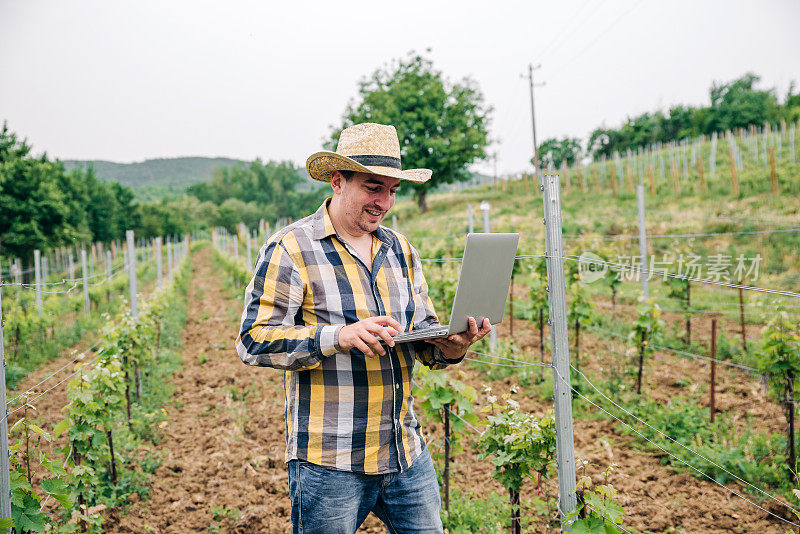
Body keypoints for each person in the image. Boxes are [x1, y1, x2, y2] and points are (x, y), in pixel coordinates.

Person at [235, 122, 491, 533]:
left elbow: (422, 337)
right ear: (338, 181)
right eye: (374, 187)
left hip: (403, 450)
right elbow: (253, 340)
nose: (385, 202)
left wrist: (453, 345)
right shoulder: (292, 248)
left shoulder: (401, 249)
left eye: (392, 190)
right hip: (330, 460)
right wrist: (337, 337)